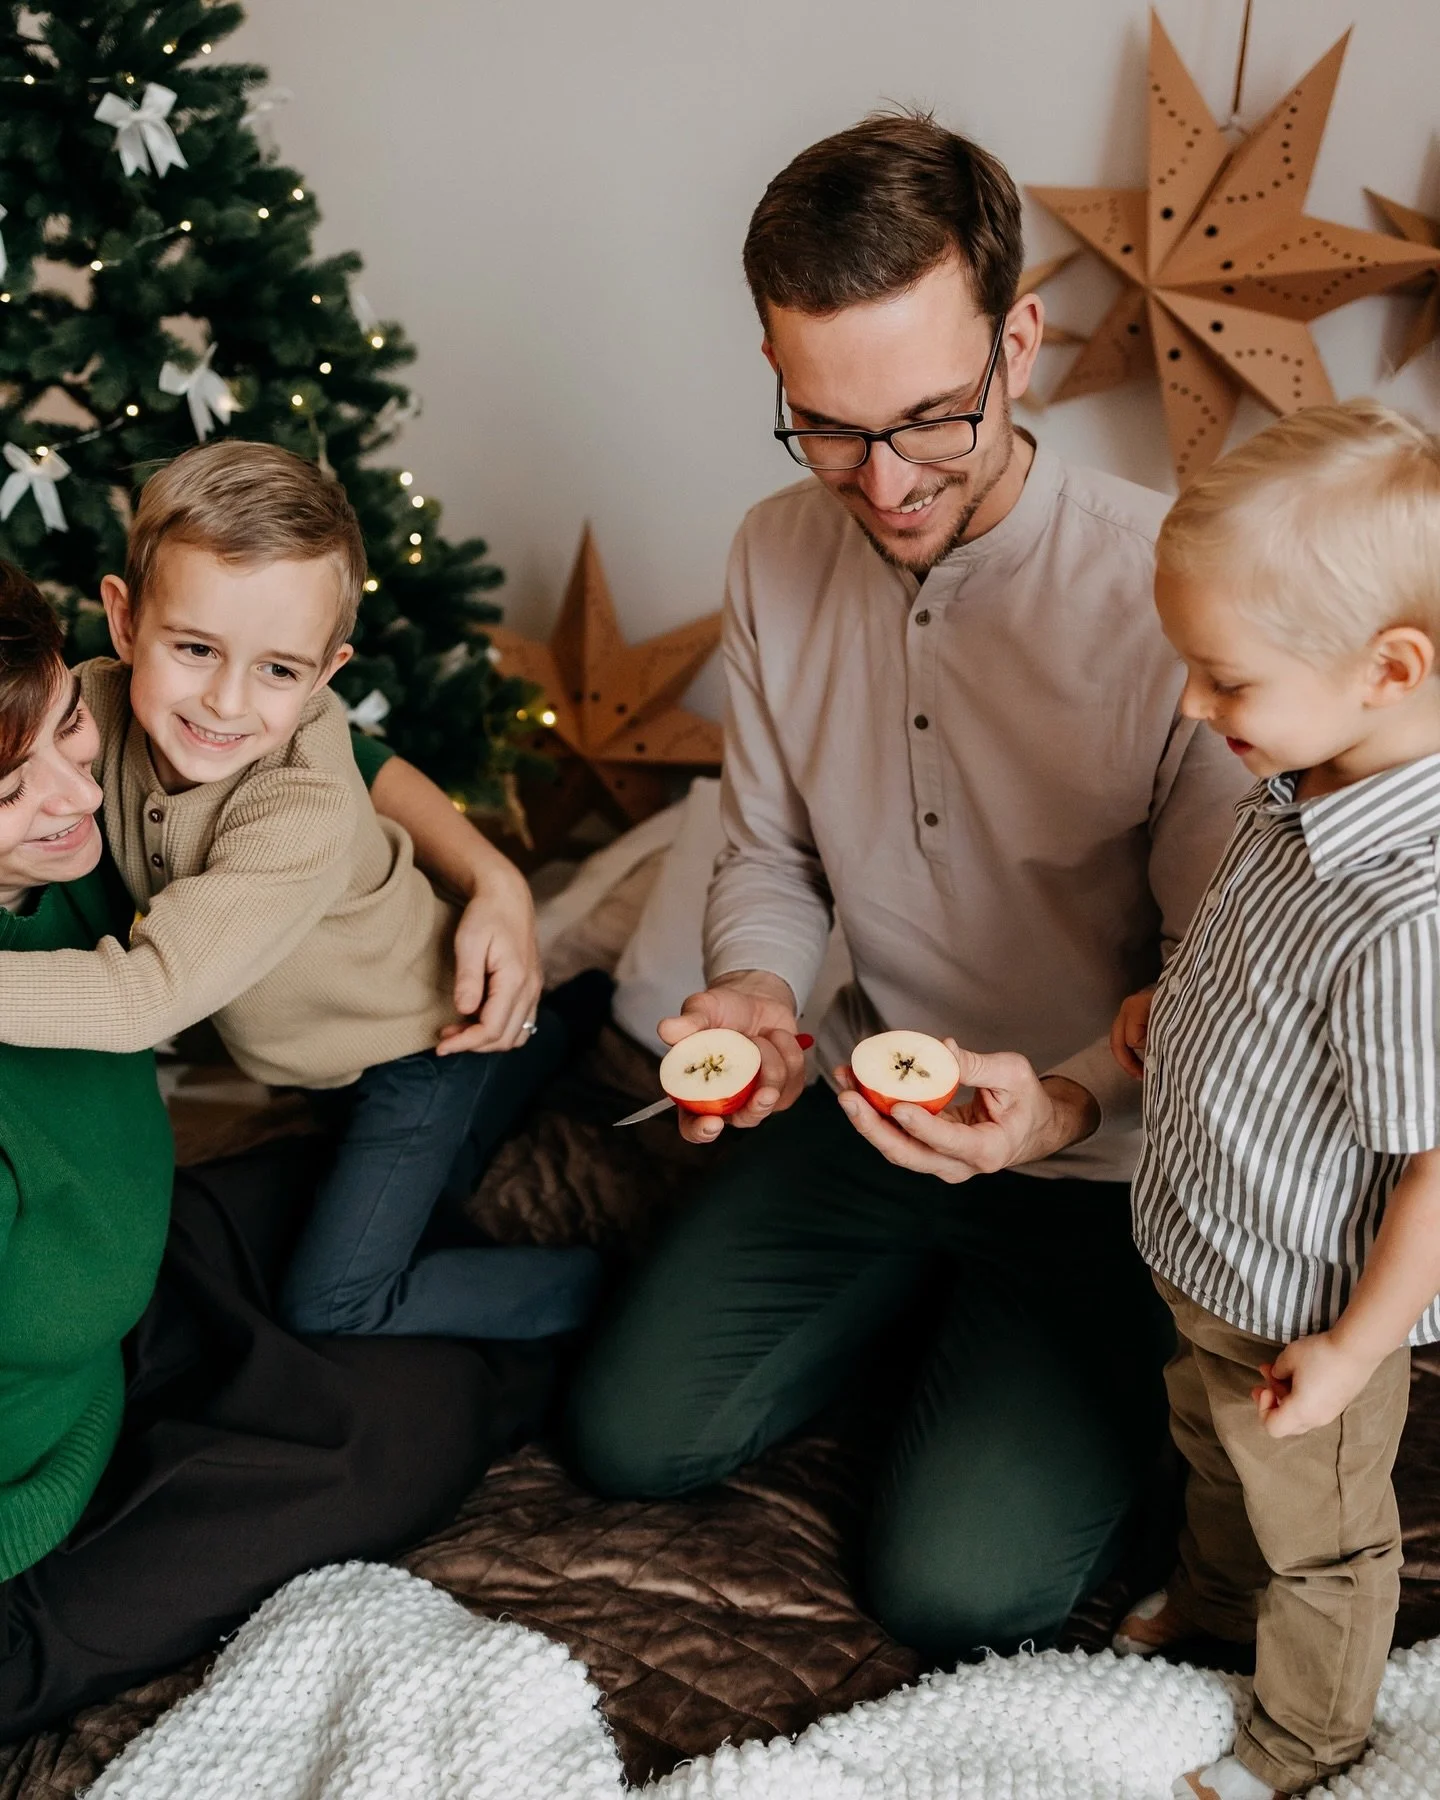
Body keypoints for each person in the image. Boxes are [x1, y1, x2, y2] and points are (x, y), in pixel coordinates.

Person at [565, 110, 1249, 1659]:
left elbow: (1220, 975)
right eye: (827, 427)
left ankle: (1058, 1395)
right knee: (626, 1439)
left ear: (1022, 336)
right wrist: (752, 988)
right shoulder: (768, 554)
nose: (879, 482)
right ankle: (932, 1331)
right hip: (869, 1109)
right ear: (776, 374)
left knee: (959, 1593)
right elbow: (774, 852)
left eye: (930, 418)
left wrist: (1061, 1107)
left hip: (1103, 1168)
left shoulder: (1173, 592)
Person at [0, 563, 555, 1737]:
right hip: (23, 1500)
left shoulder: (71, 823)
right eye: (8, 789)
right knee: (391, 1418)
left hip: (105, 1317)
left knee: (340, 1234)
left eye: (63, 730)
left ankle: (541, 1053)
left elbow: (322, 750)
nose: (72, 797)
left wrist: (491, 874)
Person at [0, 441, 601, 1343]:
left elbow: (144, 994)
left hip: (410, 1046)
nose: (227, 705)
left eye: (279, 669)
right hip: (306, 1044)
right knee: (431, 1134)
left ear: (326, 675)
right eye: (195, 648)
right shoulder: (80, 709)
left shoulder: (299, 809)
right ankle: (556, 1027)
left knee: (332, 1300)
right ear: (123, 622)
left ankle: (598, 1292)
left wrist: (494, 880)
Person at [1103, 402, 1440, 1800]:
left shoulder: (1411, 907)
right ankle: (1214, 1597)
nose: (1192, 706)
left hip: (1307, 1309)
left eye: (1223, 679)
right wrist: (1165, 1019)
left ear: (1389, 668)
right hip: (1205, 1250)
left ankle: (1304, 1739)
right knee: (1208, 1449)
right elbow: (1247, 969)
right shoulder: (1296, 783)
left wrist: (1359, 1352)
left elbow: (1436, 1166)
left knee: (1322, 1531)